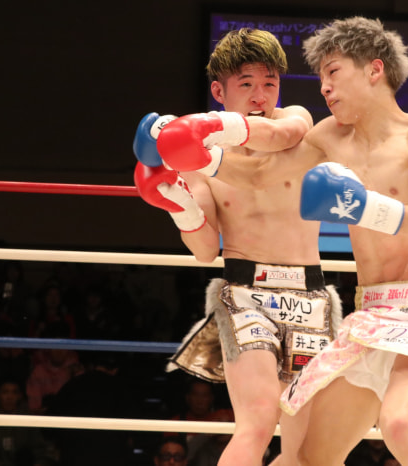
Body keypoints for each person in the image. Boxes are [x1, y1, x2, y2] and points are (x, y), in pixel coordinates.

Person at [158, 16, 408, 465]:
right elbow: (259, 173)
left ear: (374, 69)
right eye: (320, 78)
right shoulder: (329, 137)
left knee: (399, 425)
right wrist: (192, 153)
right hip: (366, 317)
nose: (324, 88)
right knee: (308, 457)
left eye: (333, 72)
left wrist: (365, 208)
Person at [132, 27, 342, 466]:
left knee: (305, 448)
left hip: (309, 295)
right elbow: (205, 249)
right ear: (218, 91)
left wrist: (211, 133)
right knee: (259, 421)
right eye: (246, 84)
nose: (260, 96)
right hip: (246, 295)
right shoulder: (196, 164)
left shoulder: (295, 122)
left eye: (269, 83)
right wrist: (178, 204)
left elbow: (281, 135)